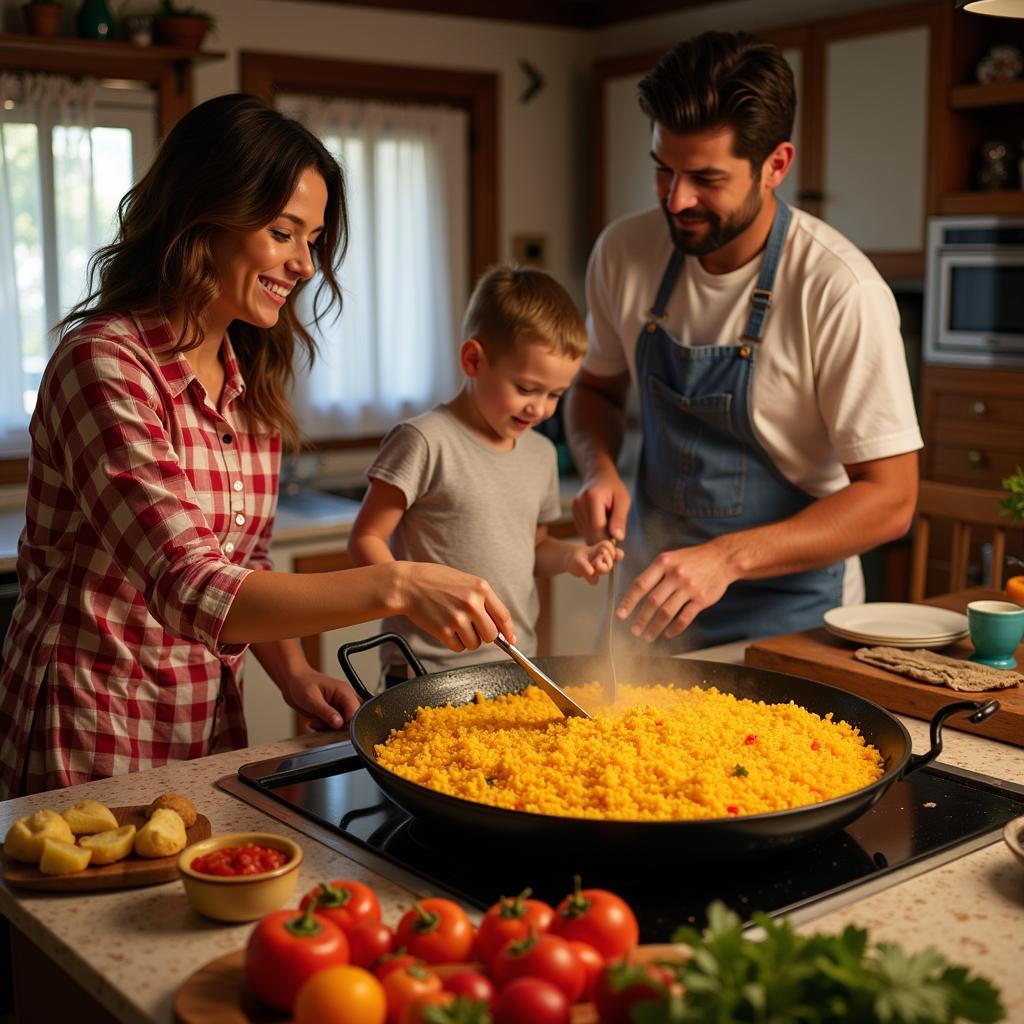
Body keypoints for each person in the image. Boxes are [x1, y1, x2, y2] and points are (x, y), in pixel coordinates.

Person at [0, 94, 514, 800]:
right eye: (283, 232)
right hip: (93, 723)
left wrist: (295, 674)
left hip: (206, 725)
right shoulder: (105, 364)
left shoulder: (250, 378)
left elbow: (241, 564)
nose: (304, 264)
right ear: (203, 215)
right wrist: (398, 583)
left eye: (313, 239)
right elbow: (194, 587)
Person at [566, 31, 922, 652]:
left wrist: (726, 558)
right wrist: (599, 468)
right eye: (663, 171)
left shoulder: (839, 290)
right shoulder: (623, 252)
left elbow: (890, 500)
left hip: (794, 623)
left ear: (775, 165)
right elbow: (595, 388)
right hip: (649, 611)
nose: (677, 200)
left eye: (706, 178)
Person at [348, 265, 620, 682]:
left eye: (556, 395)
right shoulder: (424, 440)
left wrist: (574, 557)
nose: (541, 409)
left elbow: (535, 549)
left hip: (515, 666)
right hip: (425, 667)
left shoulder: (542, 453)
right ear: (474, 360)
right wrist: (409, 597)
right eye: (527, 389)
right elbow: (364, 538)